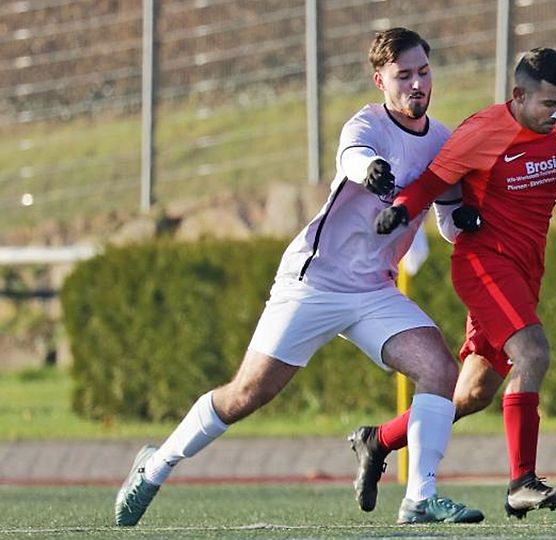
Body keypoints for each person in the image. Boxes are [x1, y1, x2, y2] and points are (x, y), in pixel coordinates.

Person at [114, 27, 485, 527]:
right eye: (403, 76)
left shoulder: (441, 141)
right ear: (380, 80)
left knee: (440, 370)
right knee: (247, 394)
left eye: (423, 72)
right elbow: (354, 158)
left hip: (374, 291)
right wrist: (371, 169)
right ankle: (155, 466)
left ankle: (420, 497)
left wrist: (463, 222)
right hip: (313, 283)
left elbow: (443, 217)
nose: (416, 85)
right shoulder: (367, 126)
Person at [355, 47, 556, 519]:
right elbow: (434, 183)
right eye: (549, 104)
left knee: (471, 394)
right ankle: (521, 482)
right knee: (533, 353)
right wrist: (401, 209)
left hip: (526, 270)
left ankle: (379, 439)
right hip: (484, 264)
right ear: (518, 95)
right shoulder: (482, 132)